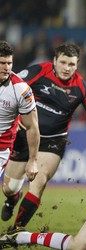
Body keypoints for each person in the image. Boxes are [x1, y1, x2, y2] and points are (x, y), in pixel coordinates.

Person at [1, 43, 86, 230]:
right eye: (63, 63)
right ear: (54, 61)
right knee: (9, 188)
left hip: (53, 141)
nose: (67, 68)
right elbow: (13, 88)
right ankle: (12, 199)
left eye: (72, 64)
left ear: (77, 65)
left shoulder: (81, 87)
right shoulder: (38, 72)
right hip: (24, 135)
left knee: (39, 180)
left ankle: (17, 229)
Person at [0, 41, 39, 181]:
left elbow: (32, 126)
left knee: (10, 189)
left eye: (9, 63)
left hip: (1, 147)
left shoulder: (21, 90)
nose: (6, 68)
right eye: (2, 63)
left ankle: (13, 196)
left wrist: (33, 160)